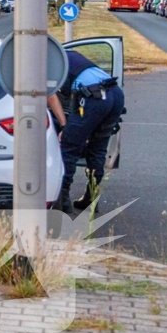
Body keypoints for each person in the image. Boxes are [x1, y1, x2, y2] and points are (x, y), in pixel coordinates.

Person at [47, 50, 125, 214]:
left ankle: (62, 201)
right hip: (115, 95)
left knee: (68, 149)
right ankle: (91, 200)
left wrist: (64, 125)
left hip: (93, 97)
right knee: (97, 150)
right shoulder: (68, 54)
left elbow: (51, 96)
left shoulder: (42, 62)